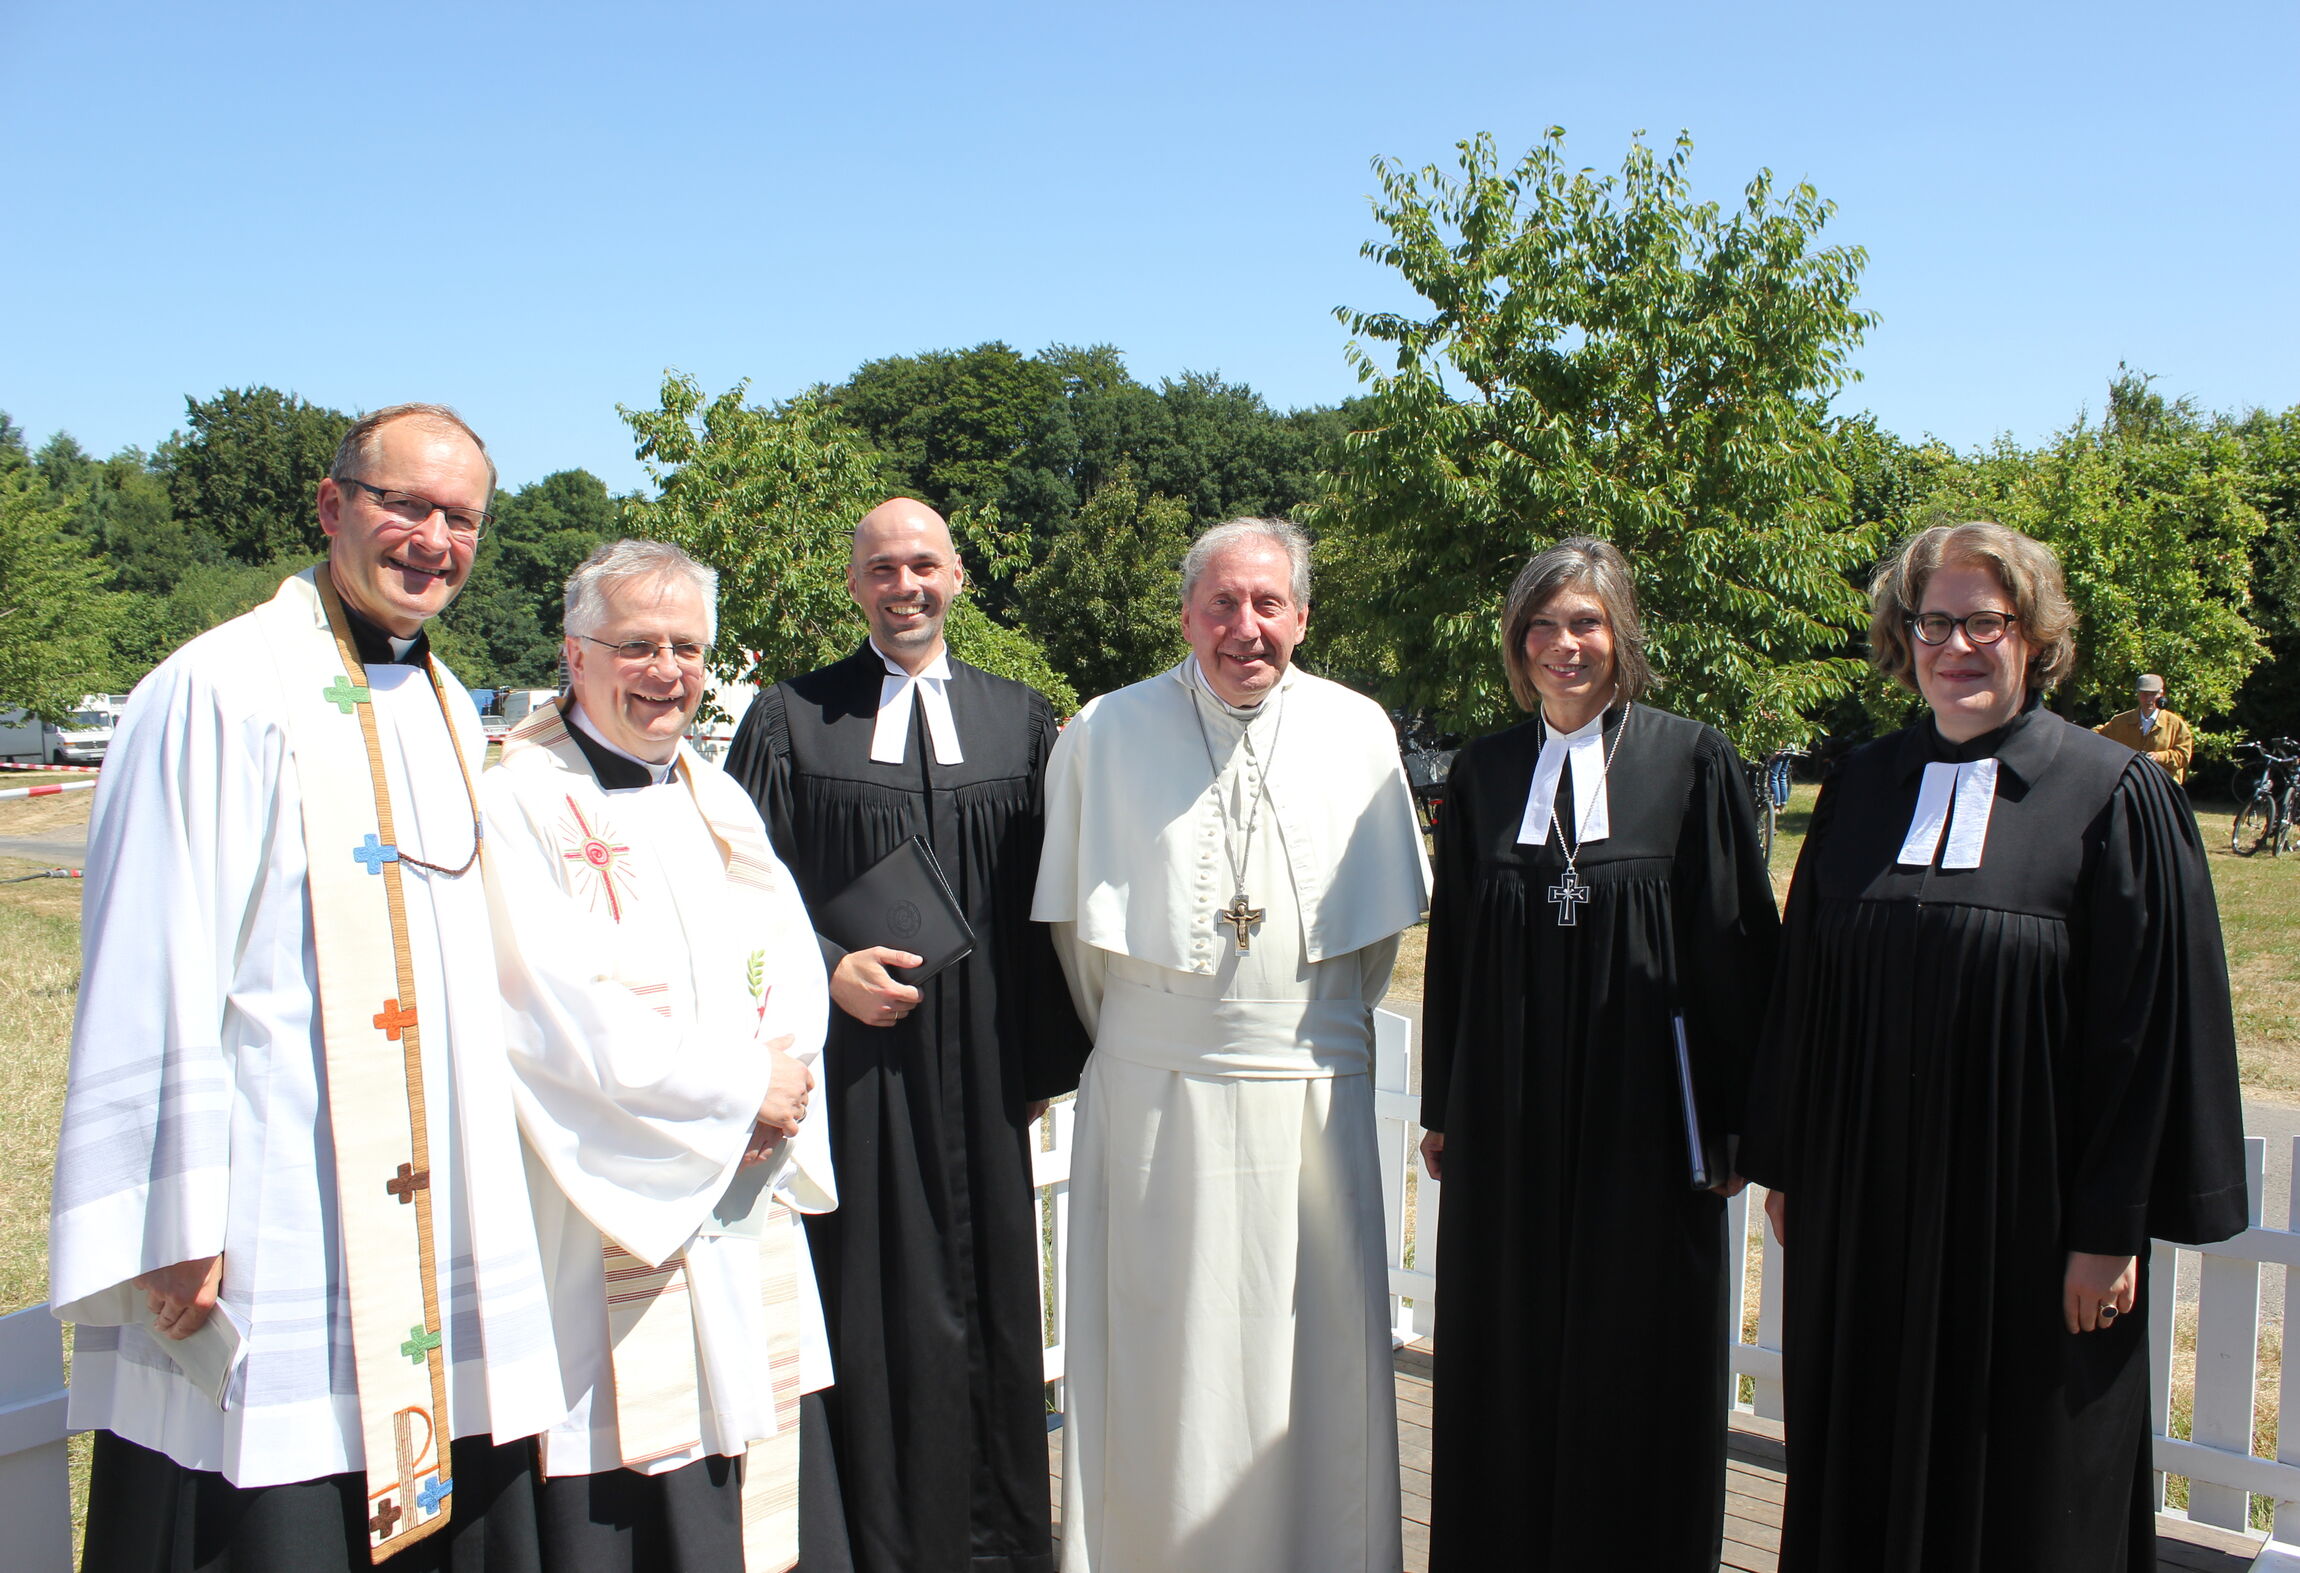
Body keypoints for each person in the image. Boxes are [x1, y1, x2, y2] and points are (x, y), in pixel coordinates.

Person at [49, 404, 565, 1570]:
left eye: (460, 517)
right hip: (278, 1194)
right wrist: (174, 1213)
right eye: (405, 505)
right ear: (334, 507)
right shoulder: (218, 687)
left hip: (428, 1196)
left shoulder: (443, 698)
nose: (432, 538)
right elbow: (150, 947)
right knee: (270, 1504)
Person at [1739, 521, 2247, 1573]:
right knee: (1860, 1467)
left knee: (2026, 1491)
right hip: (1867, 1216)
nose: (1955, 646)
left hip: (2031, 1233)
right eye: (1933, 621)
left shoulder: (2109, 794)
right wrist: (1787, 1159)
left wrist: (2108, 1227)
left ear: (2034, 637)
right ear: (1901, 634)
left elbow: (2141, 1032)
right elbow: (1804, 984)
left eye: (1984, 622)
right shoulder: (1862, 786)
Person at [1031, 517, 1431, 1573]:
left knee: (1313, 1350)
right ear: (1185, 615)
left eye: (1266, 605)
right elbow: (1078, 943)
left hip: (1309, 1087)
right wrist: (1166, 1034)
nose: (1242, 628)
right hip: (1157, 1089)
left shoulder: (1357, 731)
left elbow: (1372, 945)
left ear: (1301, 615)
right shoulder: (1105, 734)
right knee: (1163, 1350)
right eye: (1221, 603)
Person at [723, 497, 1088, 1573]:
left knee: (988, 1302)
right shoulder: (791, 720)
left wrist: (1029, 1064)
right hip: (853, 1073)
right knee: (862, 1303)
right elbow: (738, 896)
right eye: (881, 568)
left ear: (958, 576)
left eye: (922, 564)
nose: (904, 585)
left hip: (979, 1069)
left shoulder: (1019, 721)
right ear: (853, 584)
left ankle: (993, 1544)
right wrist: (823, 971)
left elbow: (1040, 906)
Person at [1415, 537, 1780, 1570]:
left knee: (1634, 1350)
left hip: (1644, 1118)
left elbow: (1734, 945)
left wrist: (1740, 1118)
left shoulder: (1687, 756)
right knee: (1506, 1345)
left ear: (1618, 632)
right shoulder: (1484, 771)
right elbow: (1454, 951)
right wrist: (1446, 1099)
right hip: (1509, 1107)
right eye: (1540, 625)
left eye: (1582, 622)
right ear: (1514, 642)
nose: (1561, 645)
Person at [480, 540, 840, 1573]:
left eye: (687, 646)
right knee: (639, 1472)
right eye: (637, 644)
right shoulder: (521, 802)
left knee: (751, 1454)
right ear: (574, 653)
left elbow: (787, 957)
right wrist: (738, 1093)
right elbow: (553, 1009)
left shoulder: (708, 790)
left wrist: (783, 1078)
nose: (667, 669)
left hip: (742, 1179)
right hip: (619, 1196)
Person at [2094, 672, 2194, 782]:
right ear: (2137, 694)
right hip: (2130, 783)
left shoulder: (2175, 725)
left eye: (2153, 694)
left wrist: (2159, 757)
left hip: (2162, 785)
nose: (2148, 699)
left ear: (2161, 695)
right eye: (2144, 694)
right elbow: (2099, 735)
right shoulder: (2121, 721)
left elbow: (2183, 755)